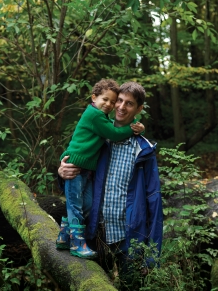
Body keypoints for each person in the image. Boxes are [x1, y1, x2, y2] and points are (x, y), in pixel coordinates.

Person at [58, 82, 163, 287]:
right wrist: (62, 170)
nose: (121, 107)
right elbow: (79, 182)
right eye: (119, 101)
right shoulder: (99, 140)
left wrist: (152, 255)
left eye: (129, 104)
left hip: (130, 237)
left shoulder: (143, 150)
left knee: (130, 285)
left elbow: (154, 201)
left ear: (139, 109)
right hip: (96, 234)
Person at [56, 79, 145, 259]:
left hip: (85, 171)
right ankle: (76, 243)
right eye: (109, 100)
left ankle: (64, 236)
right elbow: (112, 134)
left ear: (138, 108)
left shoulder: (143, 150)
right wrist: (133, 129)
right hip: (76, 167)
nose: (112, 105)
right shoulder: (96, 117)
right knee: (75, 205)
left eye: (113, 101)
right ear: (94, 97)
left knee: (84, 204)